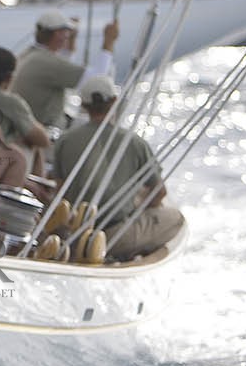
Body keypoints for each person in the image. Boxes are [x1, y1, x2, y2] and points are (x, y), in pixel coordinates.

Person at [52, 76, 185, 262]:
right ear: (114, 102)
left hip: (73, 232)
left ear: (83, 105)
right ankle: (122, 253)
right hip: (114, 236)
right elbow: (158, 193)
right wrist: (137, 204)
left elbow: (60, 192)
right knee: (176, 218)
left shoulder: (64, 140)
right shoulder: (136, 143)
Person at [12, 9, 119, 130]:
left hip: (27, 124)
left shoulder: (30, 54)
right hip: (45, 129)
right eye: (66, 32)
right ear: (57, 34)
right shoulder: (47, 62)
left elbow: (62, 65)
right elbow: (98, 82)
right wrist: (109, 41)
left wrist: (71, 41)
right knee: (99, 128)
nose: (67, 36)